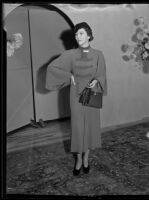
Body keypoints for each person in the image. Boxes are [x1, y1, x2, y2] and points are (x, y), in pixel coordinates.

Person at [46, 22, 107, 176]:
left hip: (92, 94)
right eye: (76, 34)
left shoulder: (99, 54)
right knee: (78, 129)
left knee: (90, 128)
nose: (77, 36)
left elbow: (101, 73)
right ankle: (78, 159)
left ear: (88, 35)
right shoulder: (70, 54)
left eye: (80, 33)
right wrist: (69, 75)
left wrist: (97, 80)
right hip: (76, 95)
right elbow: (52, 68)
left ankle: (87, 158)